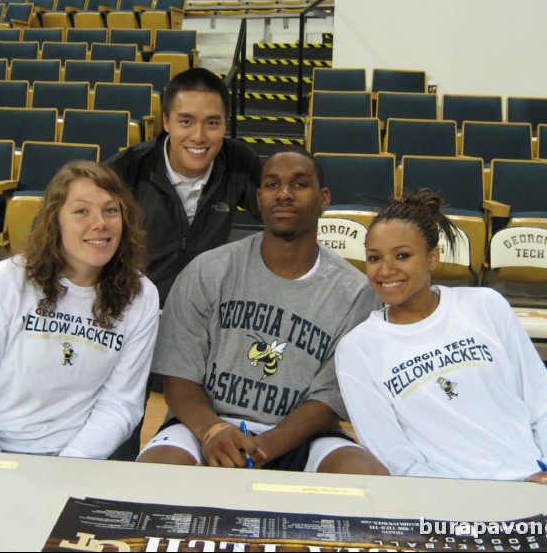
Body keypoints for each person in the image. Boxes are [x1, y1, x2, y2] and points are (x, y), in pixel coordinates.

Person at [137, 149, 388, 474]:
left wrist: (267, 445)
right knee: (153, 474)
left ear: (323, 197)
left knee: (366, 476)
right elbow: (178, 377)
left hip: (303, 436)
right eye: (272, 184)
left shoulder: (356, 293)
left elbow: (329, 401)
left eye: (299, 184)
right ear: (259, 197)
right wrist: (213, 431)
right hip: (207, 428)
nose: (284, 194)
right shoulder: (208, 270)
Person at [335, 189, 547, 487]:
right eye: (374, 258)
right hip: (449, 499)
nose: (386, 270)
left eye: (402, 255)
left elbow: (543, 403)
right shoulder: (357, 349)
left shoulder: (485, 305)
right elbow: (395, 458)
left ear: (432, 258)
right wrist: (472, 496)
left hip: (542, 480)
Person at [0, 161, 159, 458]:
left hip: (68, 455)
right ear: (54, 220)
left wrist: (66, 466)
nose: (100, 223)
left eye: (111, 210)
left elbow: (120, 405)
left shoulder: (142, 295)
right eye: (81, 211)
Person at [107, 67, 262, 306]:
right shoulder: (127, 169)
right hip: (134, 308)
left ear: (225, 124)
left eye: (212, 123)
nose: (198, 136)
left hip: (205, 311)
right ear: (166, 121)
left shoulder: (241, 163)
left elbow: (280, 214)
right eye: (186, 121)